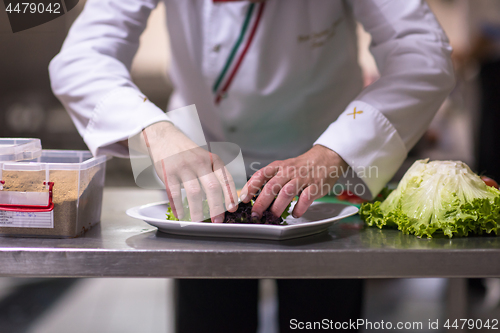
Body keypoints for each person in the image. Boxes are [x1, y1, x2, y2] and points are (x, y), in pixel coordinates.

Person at [49, 0, 455, 332]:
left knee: (321, 318)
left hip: (325, 176)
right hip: (202, 177)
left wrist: (334, 152)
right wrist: (153, 129)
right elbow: (82, 57)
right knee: (211, 320)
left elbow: (423, 55)